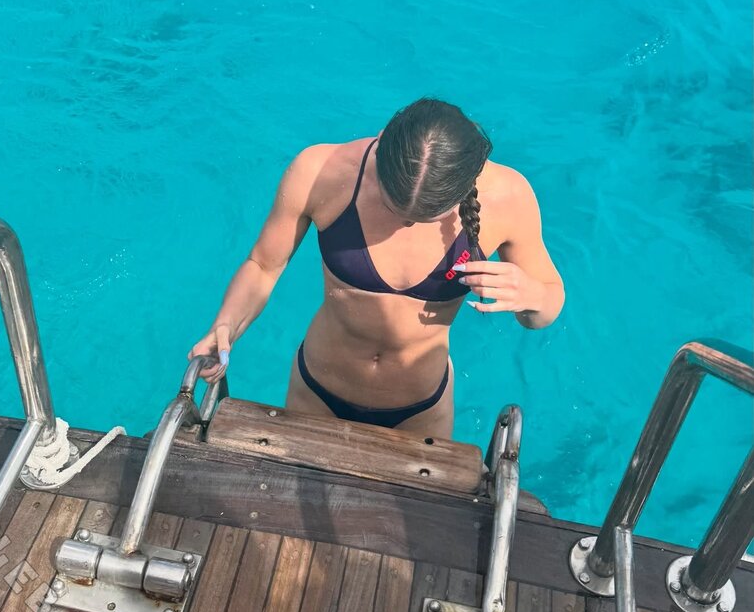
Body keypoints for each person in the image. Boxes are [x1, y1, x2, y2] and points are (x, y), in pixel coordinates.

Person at [188, 97, 565, 439]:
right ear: (382, 140)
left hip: (421, 411)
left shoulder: (509, 198)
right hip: (316, 392)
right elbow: (263, 266)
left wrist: (532, 296)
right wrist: (226, 325)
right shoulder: (321, 172)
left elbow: (546, 305)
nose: (405, 224)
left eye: (424, 218)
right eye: (391, 206)